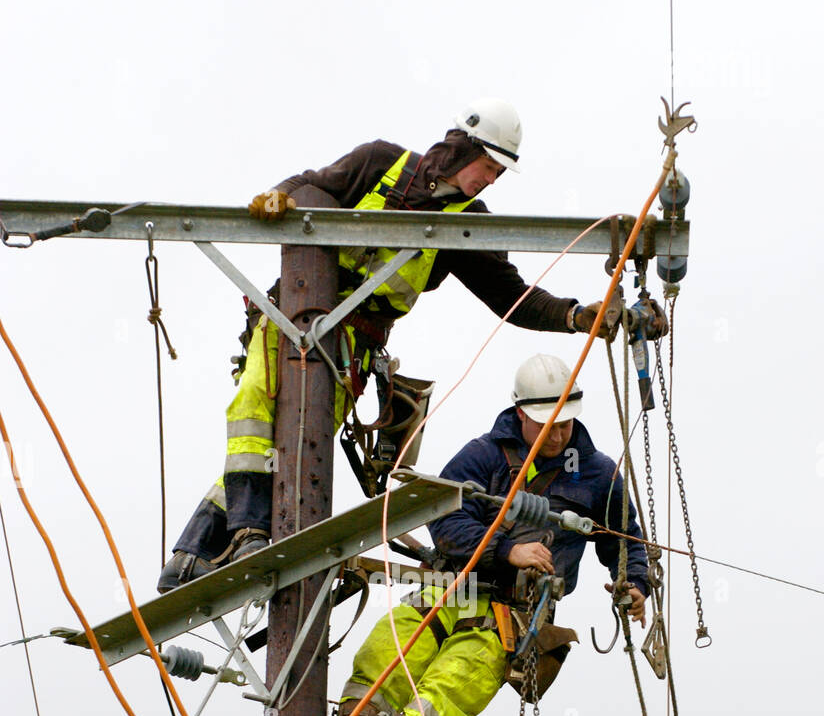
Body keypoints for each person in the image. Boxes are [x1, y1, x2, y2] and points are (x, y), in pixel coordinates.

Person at [157, 98, 619, 594]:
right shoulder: (381, 163)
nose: (489, 179)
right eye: (487, 167)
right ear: (463, 147)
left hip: (350, 349)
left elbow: (512, 296)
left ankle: (196, 554)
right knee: (253, 414)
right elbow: (313, 184)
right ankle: (234, 541)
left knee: (296, 444)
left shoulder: (466, 222)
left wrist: (575, 316)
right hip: (289, 319)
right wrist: (277, 197)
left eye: (498, 174)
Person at [325, 352, 650, 716]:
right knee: (390, 644)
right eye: (548, 424)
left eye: (565, 425)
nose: (559, 435)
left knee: (458, 680)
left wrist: (634, 584)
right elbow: (444, 517)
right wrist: (507, 550)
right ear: (521, 414)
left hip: (511, 616)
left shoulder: (597, 473)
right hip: (453, 586)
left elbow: (624, 539)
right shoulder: (483, 456)